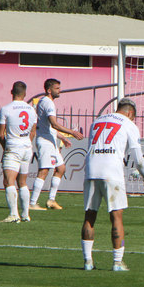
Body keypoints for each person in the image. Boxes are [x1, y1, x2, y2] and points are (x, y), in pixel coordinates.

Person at [81, 98, 144, 271]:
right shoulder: (128, 124)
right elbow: (137, 157)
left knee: (90, 216)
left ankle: (88, 261)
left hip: (91, 169)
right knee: (116, 216)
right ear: (130, 113)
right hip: (111, 171)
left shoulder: (97, 121)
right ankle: (117, 262)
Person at [29, 78, 84, 210]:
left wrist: (63, 138)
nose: (60, 90)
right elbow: (53, 123)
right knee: (44, 171)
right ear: (49, 90)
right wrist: (71, 132)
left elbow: (49, 127)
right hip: (46, 142)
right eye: (57, 88)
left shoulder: (44, 101)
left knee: (61, 168)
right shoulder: (48, 103)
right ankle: (32, 203)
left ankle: (51, 200)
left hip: (51, 140)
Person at [0, 81, 37, 223]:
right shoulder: (32, 109)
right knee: (23, 182)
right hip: (27, 146)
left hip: (13, 146)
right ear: (25, 93)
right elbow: (33, 131)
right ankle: (26, 215)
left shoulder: (6, 109)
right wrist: (26, 143)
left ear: (11, 92)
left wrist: (6, 147)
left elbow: (1, 134)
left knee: (9, 181)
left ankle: (14, 215)